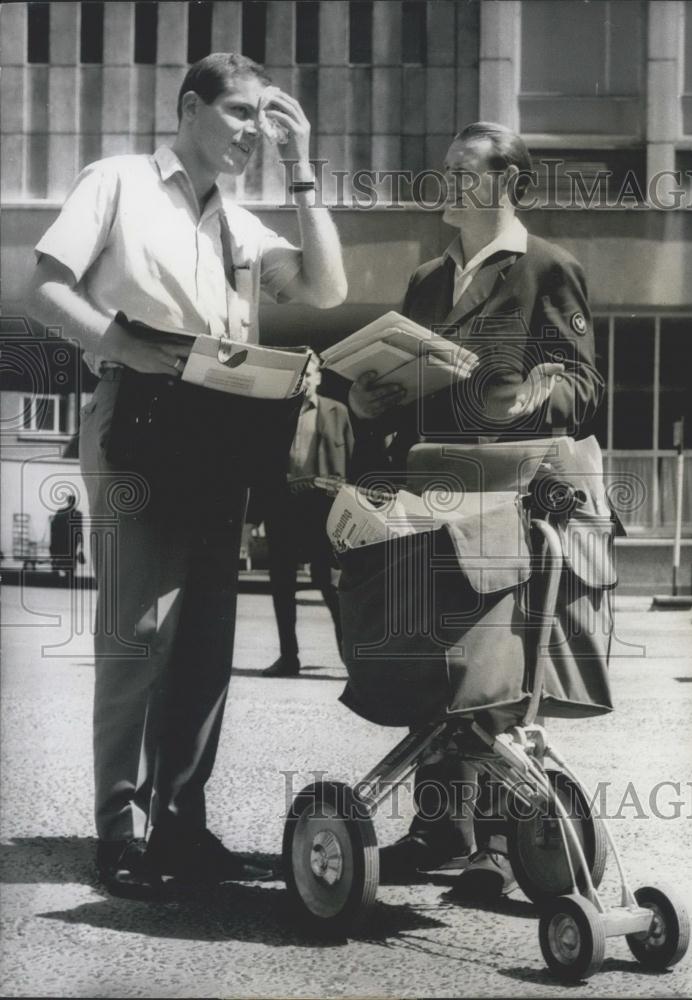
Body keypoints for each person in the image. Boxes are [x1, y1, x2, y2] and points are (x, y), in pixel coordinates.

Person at [28, 53, 347, 900]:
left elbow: (326, 285)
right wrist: (126, 346)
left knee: (205, 642)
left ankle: (182, 823)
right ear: (190, 107)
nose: (254, 132)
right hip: (136, 411)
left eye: (265, 120)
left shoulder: (240, 225)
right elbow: (45, 289)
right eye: (241, 114)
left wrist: (303, 164)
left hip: (220, 428)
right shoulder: (119, 181)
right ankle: (119, 832)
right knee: (137, 630)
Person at [347, 123, 603, 898]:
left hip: (508, 498)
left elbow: (585, 391)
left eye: (465, 172)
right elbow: (403, 397)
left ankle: (495, 845)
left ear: (508, 185)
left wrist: (531, 392)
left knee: (494, 668)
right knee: (439, 662)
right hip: (430, 496)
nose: (448, 184)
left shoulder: (548, 268)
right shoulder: (428, 279)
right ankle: (438, 832)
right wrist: (366, 401)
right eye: (445, 171)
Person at [257, 352, 354, 677]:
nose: (305, 380)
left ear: (319, 377)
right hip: (284, 508)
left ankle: (350, 663)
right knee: (282, 584)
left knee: (331, 585)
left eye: (310, 374)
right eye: (300, 375)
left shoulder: (338, 411)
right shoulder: (276, 413)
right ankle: (289, 657)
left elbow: (353, 459)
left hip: (324, 510)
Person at [49, 493, 85, 577]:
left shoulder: (60, 512)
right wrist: (81, 545)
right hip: (72, 542)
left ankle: (56, 577)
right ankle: (69, 576)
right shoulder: (78, 514)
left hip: (61, 541)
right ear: (74, 502)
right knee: (70, 561)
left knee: (59, 559)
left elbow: (54, 527)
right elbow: (80, 530)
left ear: (67, 501)